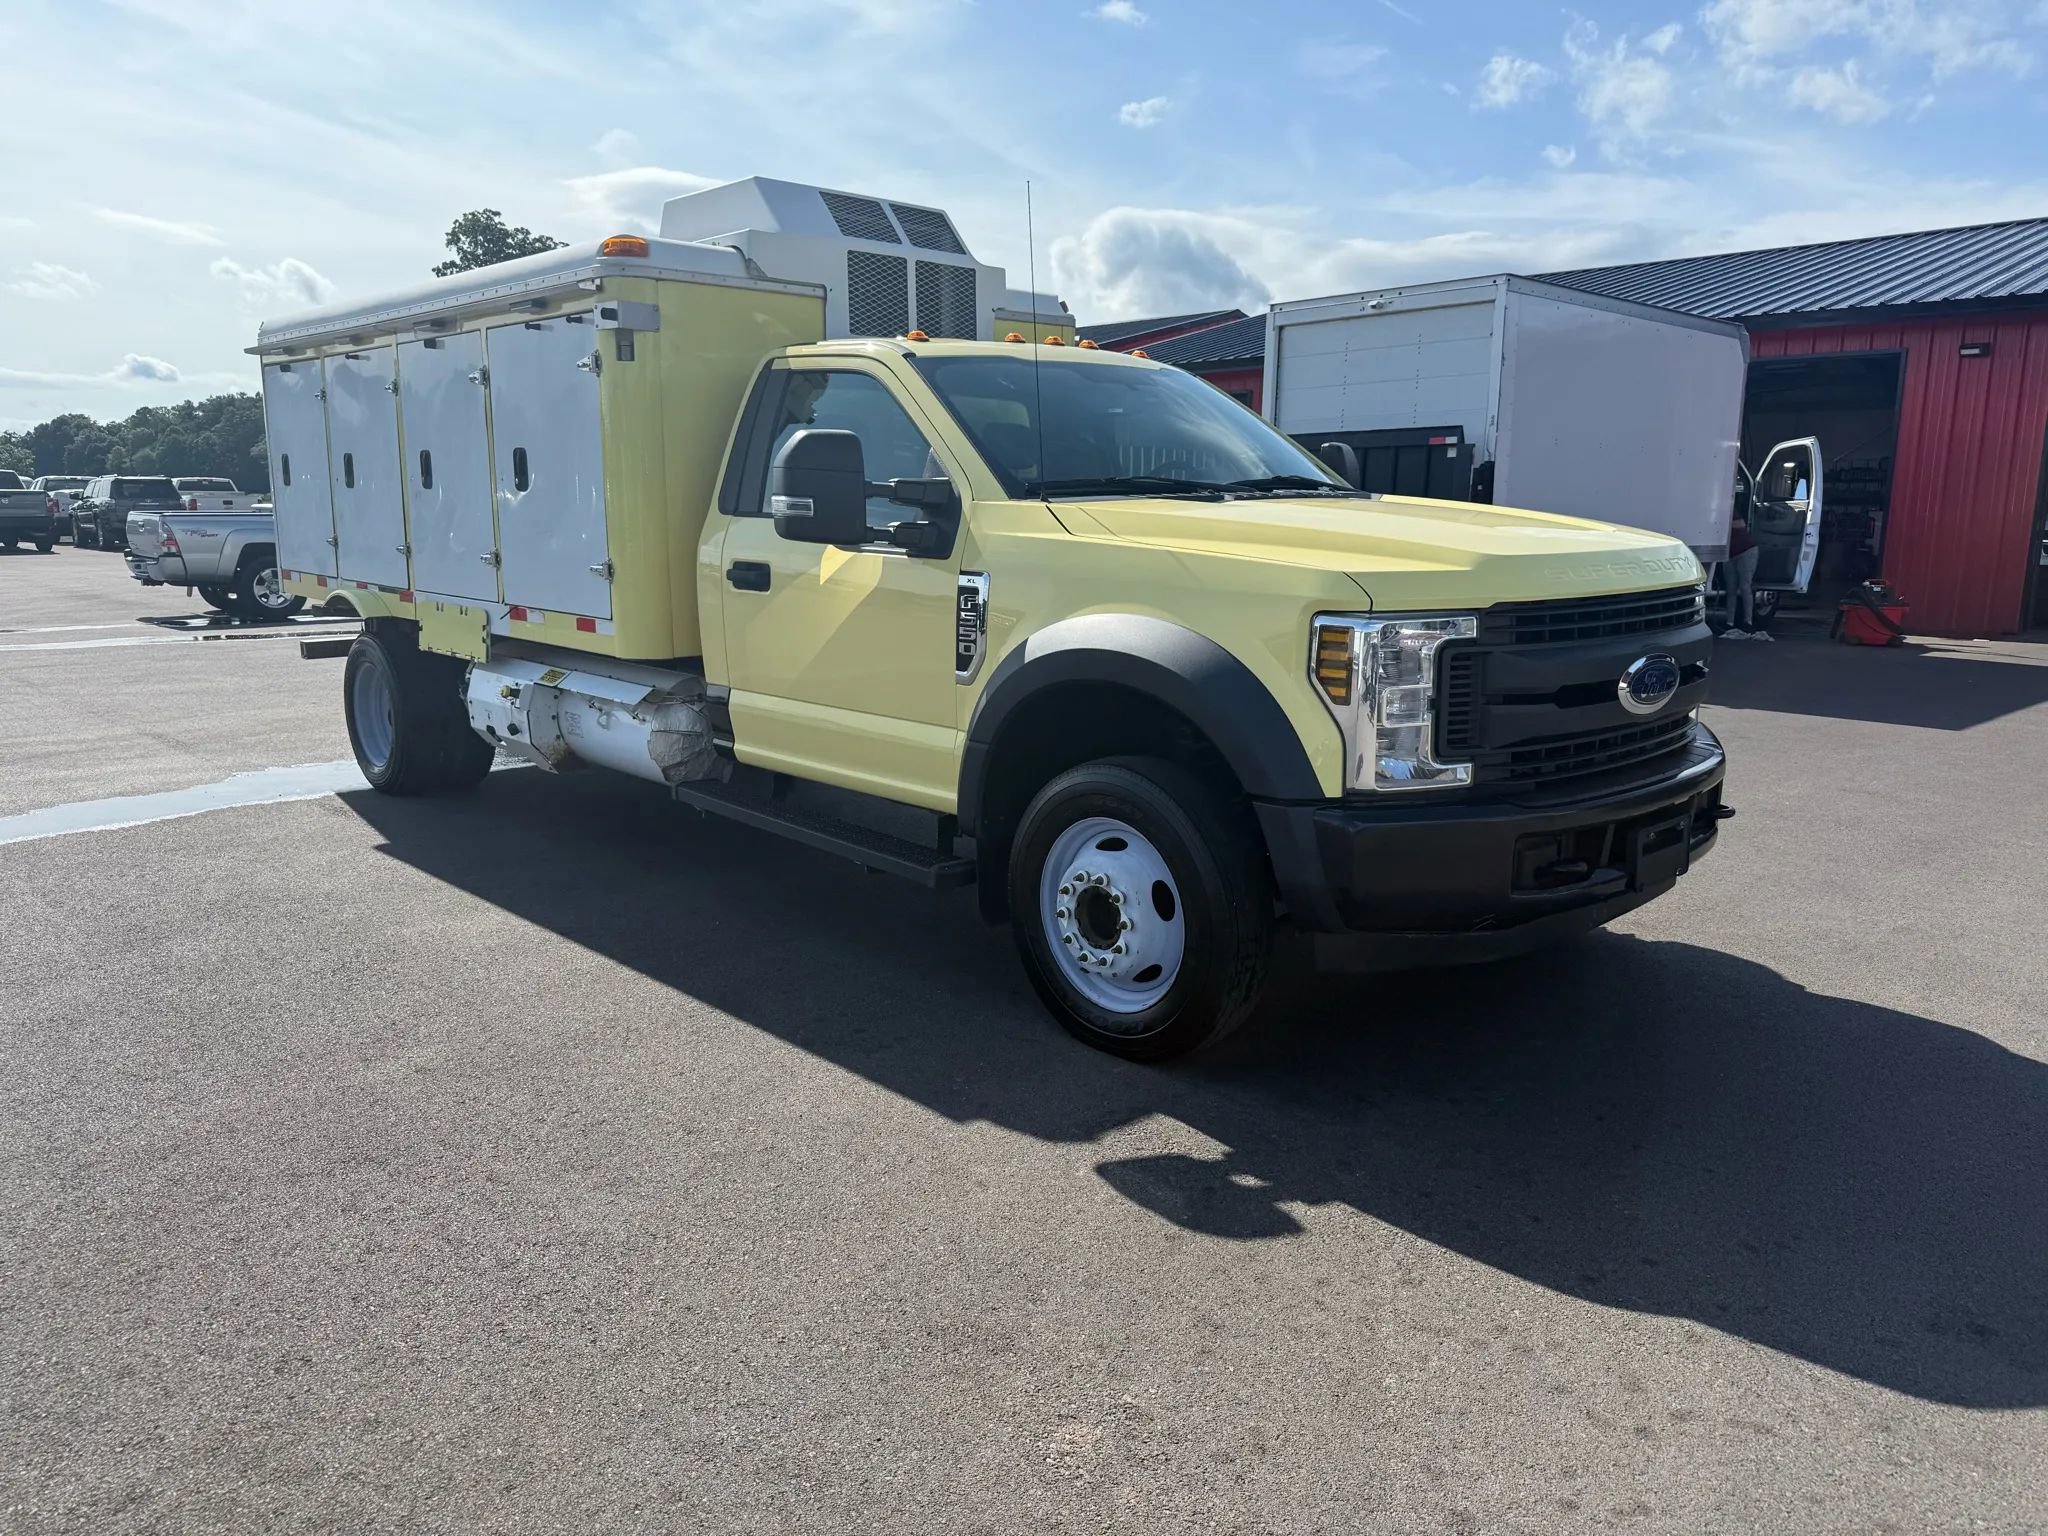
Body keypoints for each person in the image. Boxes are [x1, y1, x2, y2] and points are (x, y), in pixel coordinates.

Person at [1723, 505, 1760, 638]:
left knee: (1745, 587)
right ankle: (1730, 623)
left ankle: (1748, 622)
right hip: (1729, 553)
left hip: (1746, 550)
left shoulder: (1730, 511)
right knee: (1731, 589)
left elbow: (1739, 525)